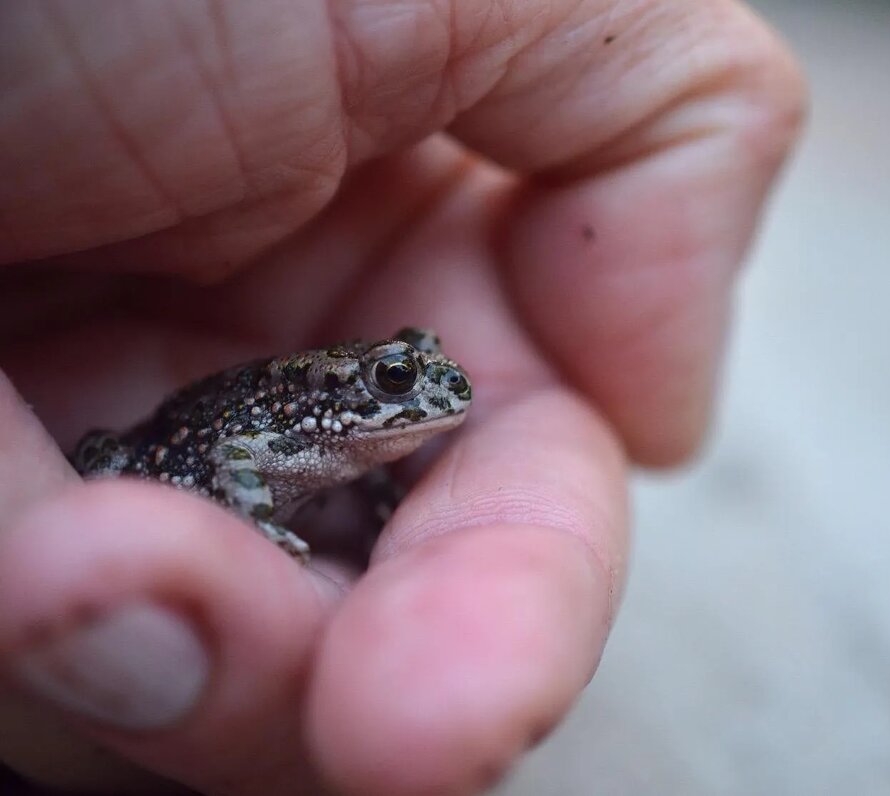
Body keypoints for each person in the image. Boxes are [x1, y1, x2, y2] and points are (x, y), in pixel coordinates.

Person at [0, 1, 804, 793]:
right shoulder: (288, 435)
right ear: (344, 396)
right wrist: (261, 526)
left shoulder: (352, 447)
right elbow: (238, 449)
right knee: (103, 479)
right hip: (157, 451)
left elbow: (369, 470)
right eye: (395, 380)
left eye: (422, 368)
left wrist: (382, 507)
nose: (436, 389)